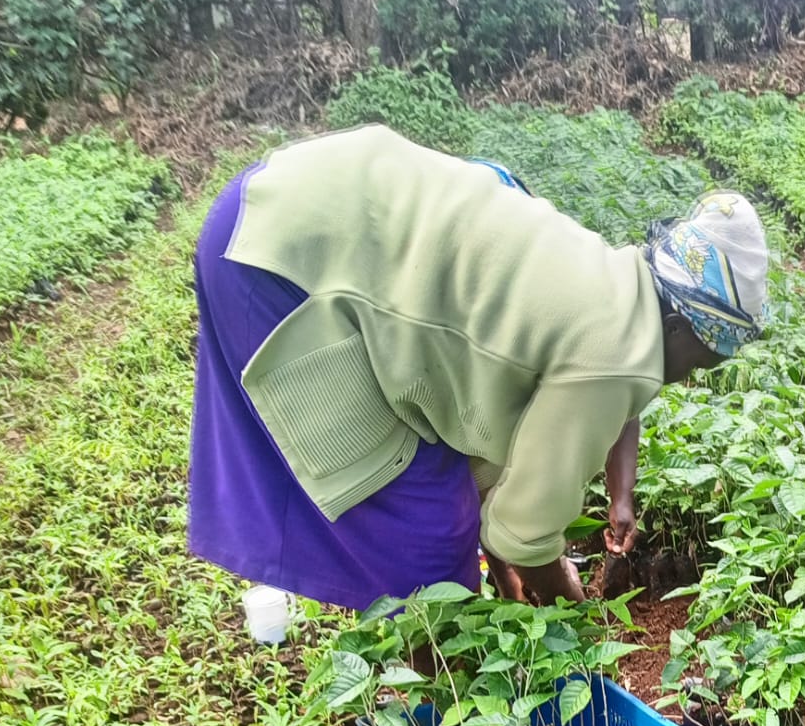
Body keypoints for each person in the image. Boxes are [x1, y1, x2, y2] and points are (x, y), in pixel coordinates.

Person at [188, 124, 768, 612]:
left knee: (454, 495)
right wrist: (568, 610)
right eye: (702, 362)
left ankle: (448, 661)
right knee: (428, 537)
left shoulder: (620, 284)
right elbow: (524, 531)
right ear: (679, 326)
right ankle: (447, 694)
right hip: (282, 258)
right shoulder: (617, 356)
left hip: (305, 195)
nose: (692, 377)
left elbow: (617, 392)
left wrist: (607, 503)